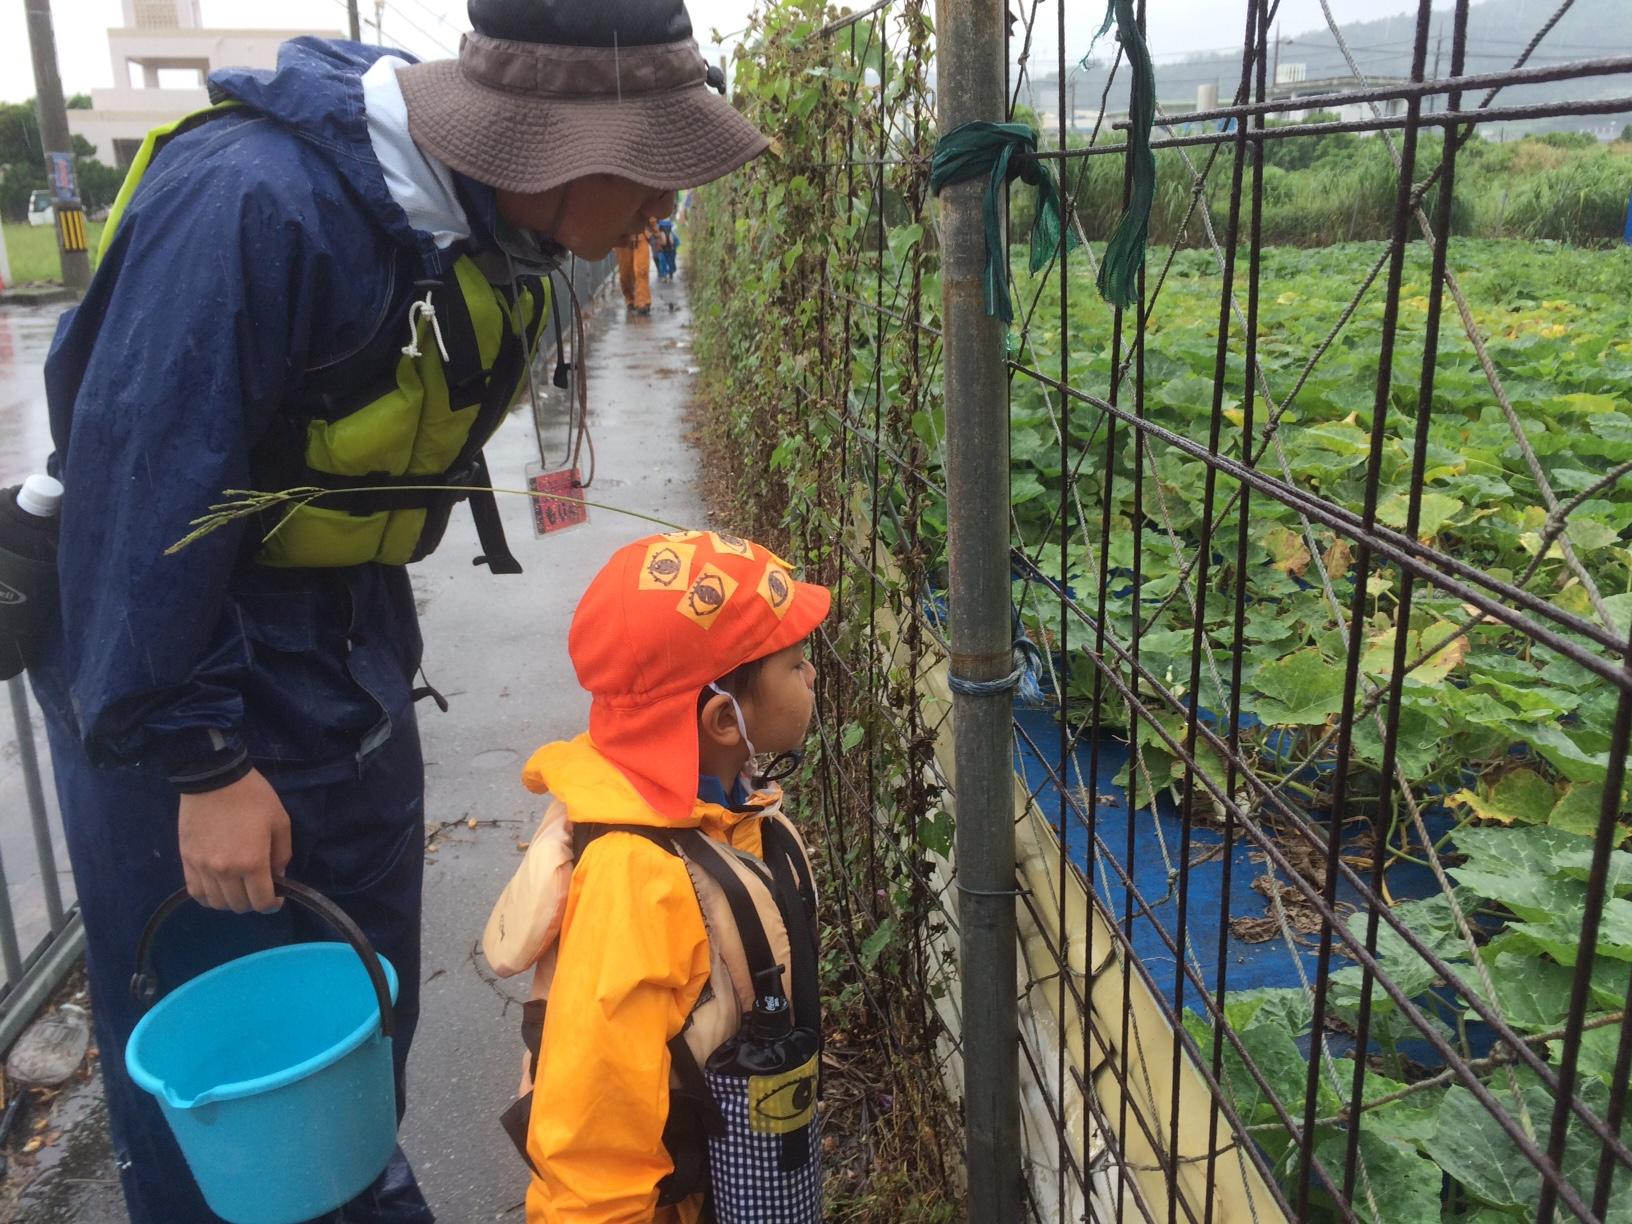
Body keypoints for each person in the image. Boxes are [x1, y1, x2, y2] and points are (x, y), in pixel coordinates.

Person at [28, 1, 768, 1220]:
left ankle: (353, 1181)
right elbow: (137, 498)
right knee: (241, 1055)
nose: (660, 213)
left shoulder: (482, 232)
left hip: (347, 643)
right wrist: (200, 766)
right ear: (557, 143)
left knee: (357, 1012)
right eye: (653, 174)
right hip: (184, 654)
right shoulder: (256, 207)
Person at [482, 531, 829, 1222]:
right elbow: (594, 1140)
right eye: (796, 665)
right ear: (722, 720)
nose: (813, 677)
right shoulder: (636, 882)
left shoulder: (720, 815)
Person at [617, 216, 660, 314]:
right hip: (622, 239)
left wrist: (656, 234)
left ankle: (643, 301)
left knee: (641, 270)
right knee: (625, 273)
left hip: (640, 237)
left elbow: (649, 212)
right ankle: (630, 299)